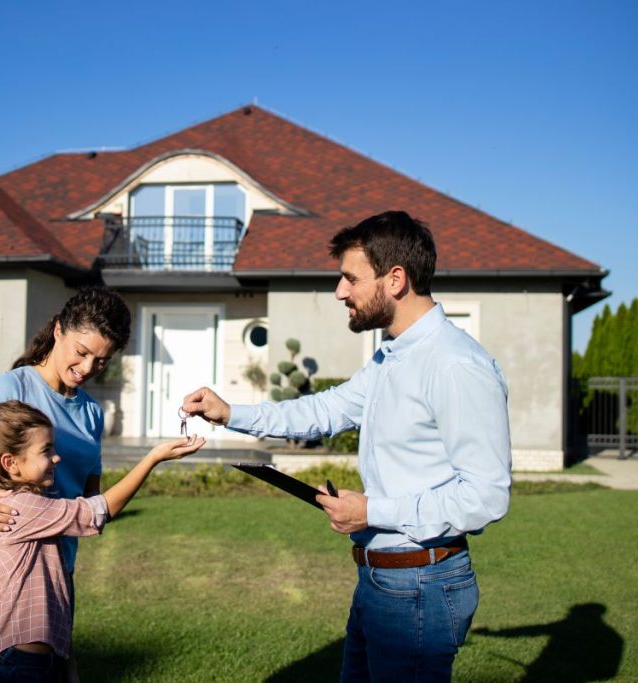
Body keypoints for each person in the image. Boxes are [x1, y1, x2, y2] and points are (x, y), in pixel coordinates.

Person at [182, 211, 512, 682]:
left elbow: (486, 496)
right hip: (380, 579)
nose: (340, 291)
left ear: (395, 279)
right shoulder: (390, 358)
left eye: (350, 278)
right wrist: (231, 413)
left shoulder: (456, 365)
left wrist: (372, 511)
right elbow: (322, 411)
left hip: (420, 585)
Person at [0, 400, 205, 681]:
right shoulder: (22, 508)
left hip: (25, 661)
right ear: (11, 463)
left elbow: (50, 593)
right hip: (18, 665)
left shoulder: (23, 503)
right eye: (46, 450)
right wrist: (152, 458)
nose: (56, 458)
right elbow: (101, 510)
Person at [0, 287, 132, 642]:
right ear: (59, 330)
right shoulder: (8, 390)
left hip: (58, 573)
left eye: (100, 361)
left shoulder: (92, 413)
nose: (86, 369)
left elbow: (88, 494)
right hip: (7, 579)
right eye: (81, 353)